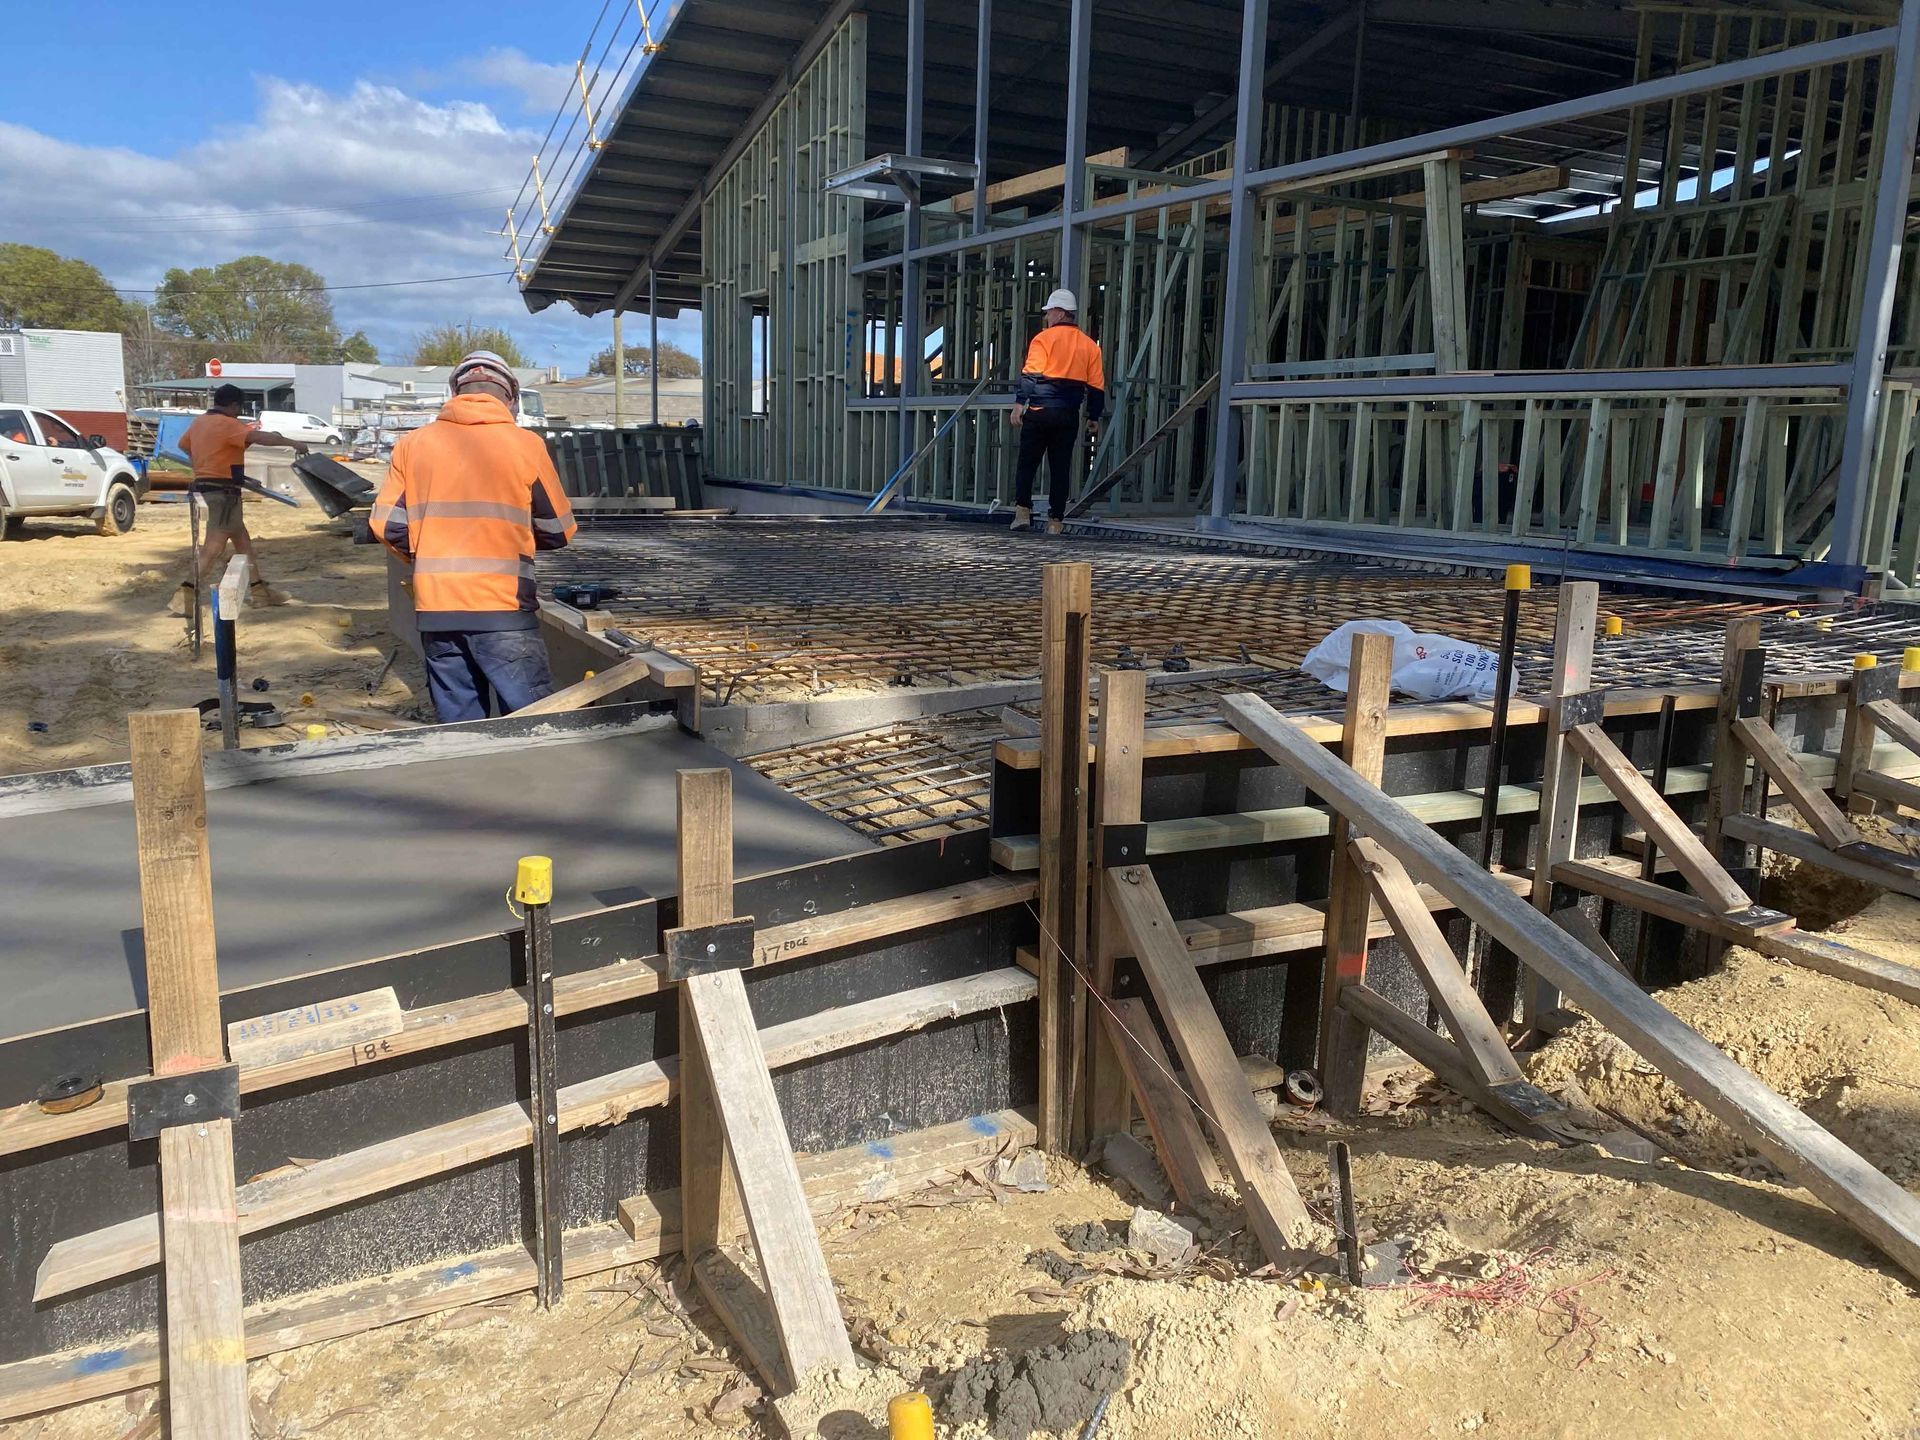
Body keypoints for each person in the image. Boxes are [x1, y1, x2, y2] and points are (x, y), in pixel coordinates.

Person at [370, 349, 577, 723]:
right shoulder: (526, 445)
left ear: (455, 393)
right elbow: (558, 530)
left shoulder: (412, 445)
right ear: (510, 397)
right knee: (534, 728)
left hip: (437, 613)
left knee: (463, 736)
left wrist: (430, 555)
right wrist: (515, 541)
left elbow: (387, 527)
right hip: (504, 612)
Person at [172, 383, 309, 610]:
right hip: (222, 495)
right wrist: (293, 443)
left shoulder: (200, 423)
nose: (238, 412)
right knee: (213, 547)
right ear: (234, 404)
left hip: (213, 488)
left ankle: (259, 591)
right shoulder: (228, 424)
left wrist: (211, 465)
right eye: (238, 407)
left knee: (243, 543)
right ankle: (185, 594)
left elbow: (183, 445)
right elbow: (261, 437)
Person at [1010, 288, 1105, 535]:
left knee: (1027, 463)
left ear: (1060, 313)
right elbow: (1096, 387)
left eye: (1050, 312)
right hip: (1068, 415)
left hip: (1040, 411)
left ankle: (1022, 510)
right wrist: (1094, 417)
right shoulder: (1090, 346)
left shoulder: (1043, 339)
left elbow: (1031, 374)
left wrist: (1020, 404)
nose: (1046, 317)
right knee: (1061, 467)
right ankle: (1055, 521)